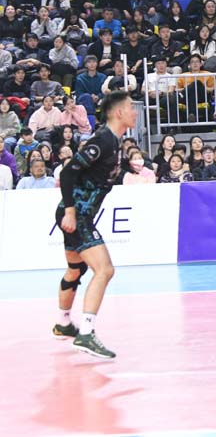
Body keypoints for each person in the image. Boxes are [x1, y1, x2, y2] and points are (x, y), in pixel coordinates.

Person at [52, 90, 137, 359]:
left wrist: (128, 168)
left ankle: (63, 323)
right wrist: (70, 212)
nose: (135, 112)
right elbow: (68, 173)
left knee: (75, 269)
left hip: (80, 213)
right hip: (77, 213)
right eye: (131, 107)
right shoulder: (102, 140)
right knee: (105, 270)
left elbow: (99, 171)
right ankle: (86, 334)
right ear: (119, 112)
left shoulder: (115, 141)